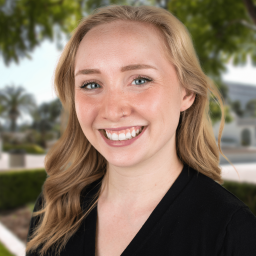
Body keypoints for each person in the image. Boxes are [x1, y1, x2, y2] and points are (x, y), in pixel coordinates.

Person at [26, 4, 256, 256]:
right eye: (91, 84)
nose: (112, 111)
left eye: (140, 80)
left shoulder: (233, 233)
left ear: (187, 92)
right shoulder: (53, 211)